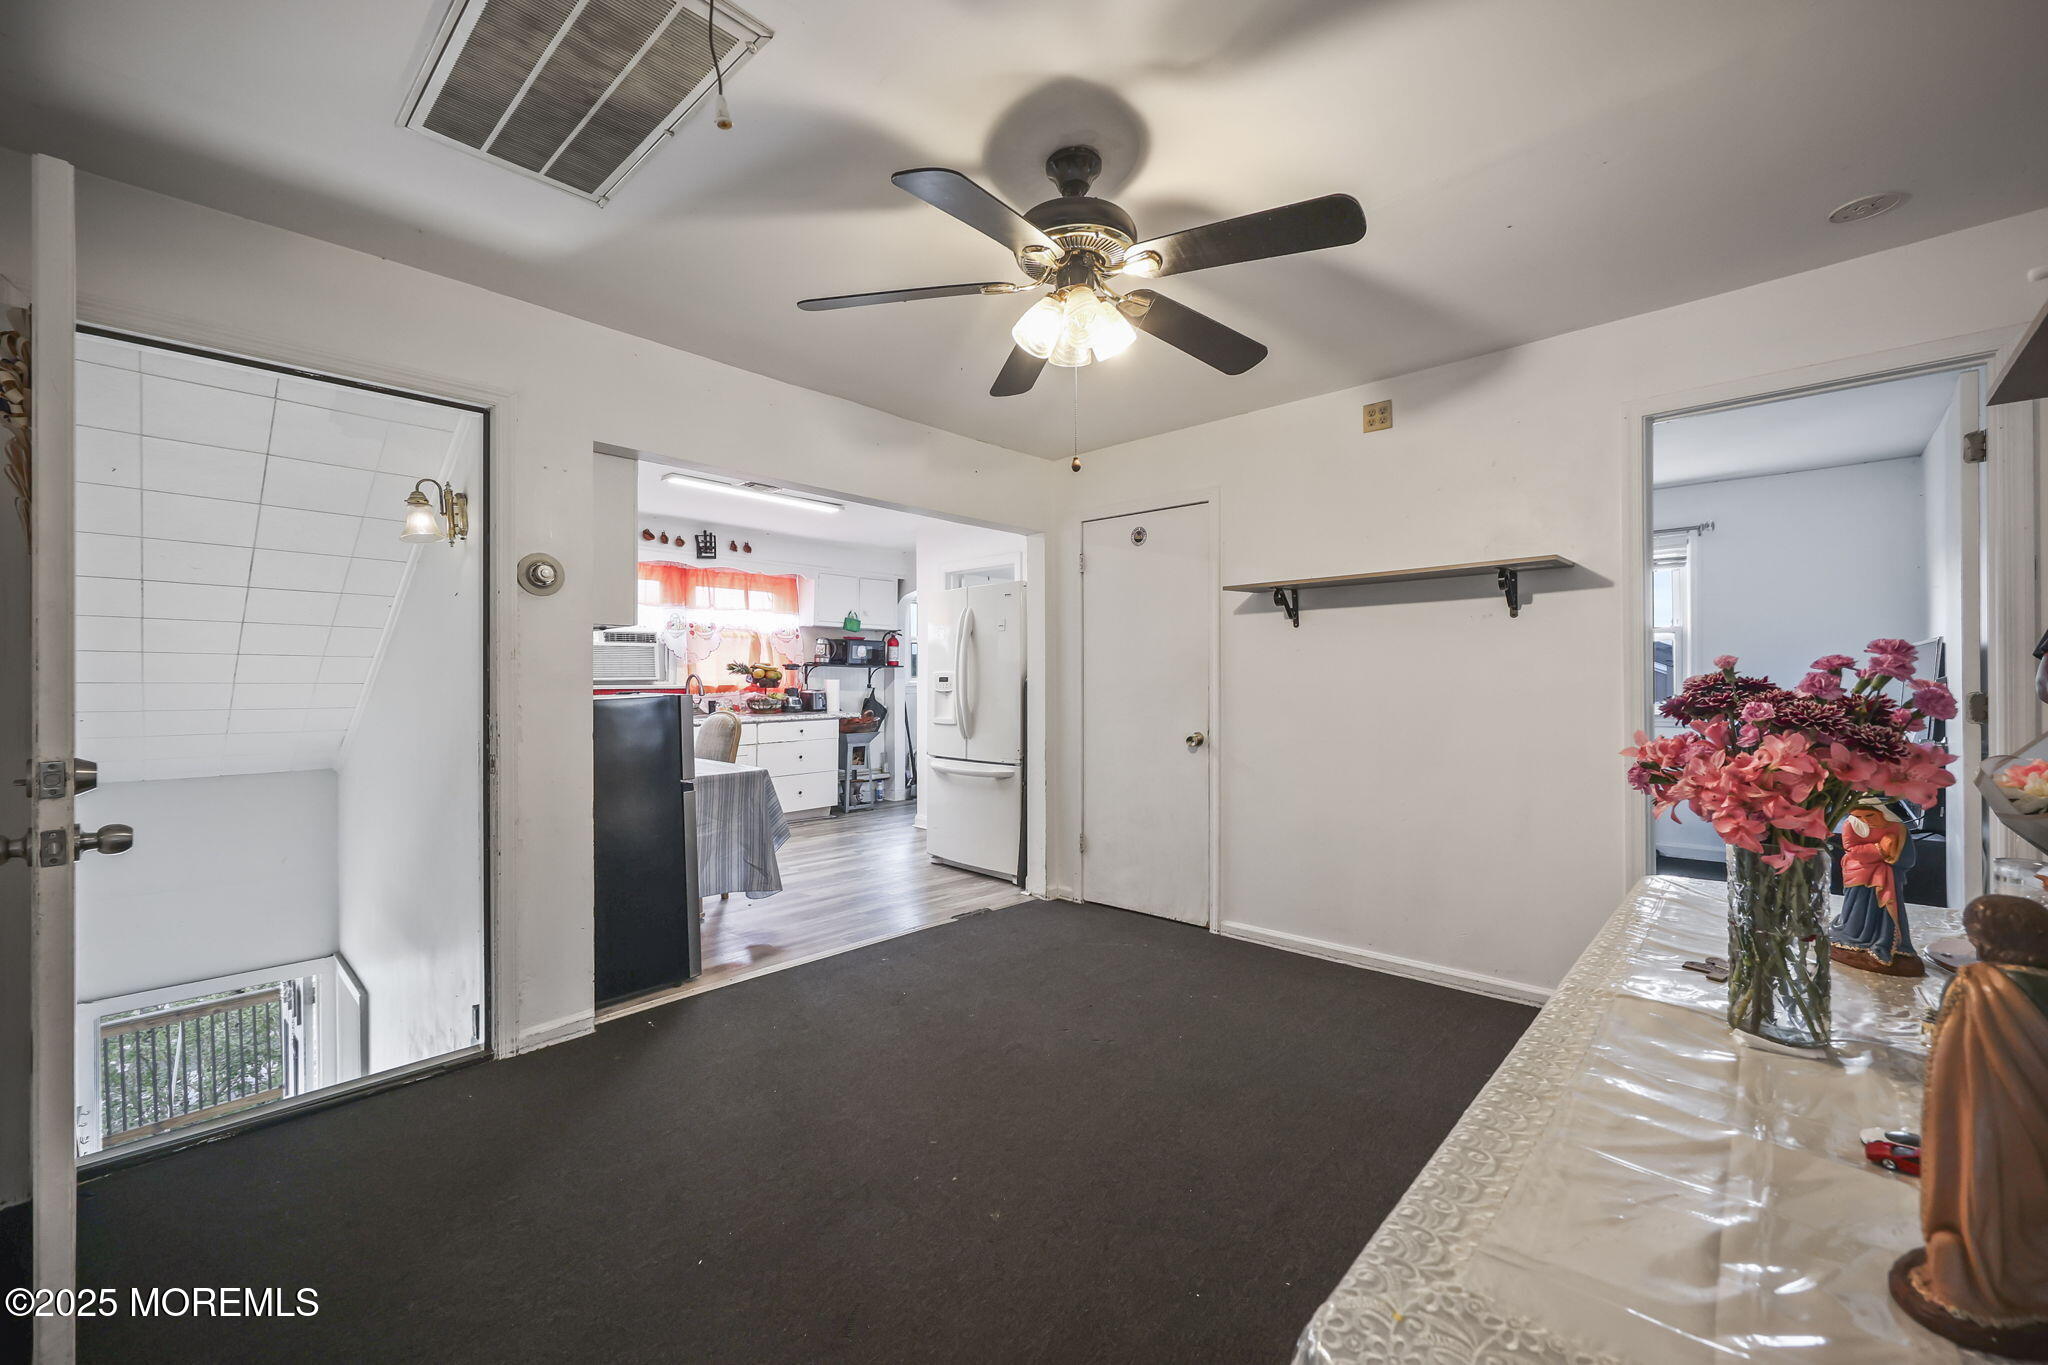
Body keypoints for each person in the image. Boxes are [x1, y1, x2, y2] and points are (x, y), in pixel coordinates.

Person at [1890, 894, 2048, 1355]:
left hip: (1987, 1118)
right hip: (2019, 1117)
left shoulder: (1977, 987)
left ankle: (1985, 1276)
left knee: (1986, 1185)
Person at [1829, 799, 1923, 976]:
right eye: (1858, 816)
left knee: (1886, 908)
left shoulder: (1897, 828)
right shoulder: (1851, 825)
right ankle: (1855, 934)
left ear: (1881, 811)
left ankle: (1887, 940)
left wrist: (1891, 855)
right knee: (1857, 905)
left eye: (1869, 815)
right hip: (1859, 872)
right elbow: (1851, 849)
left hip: (1887, 876)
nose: (1864, 820)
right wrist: (1881, 848)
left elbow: (1907, 857)